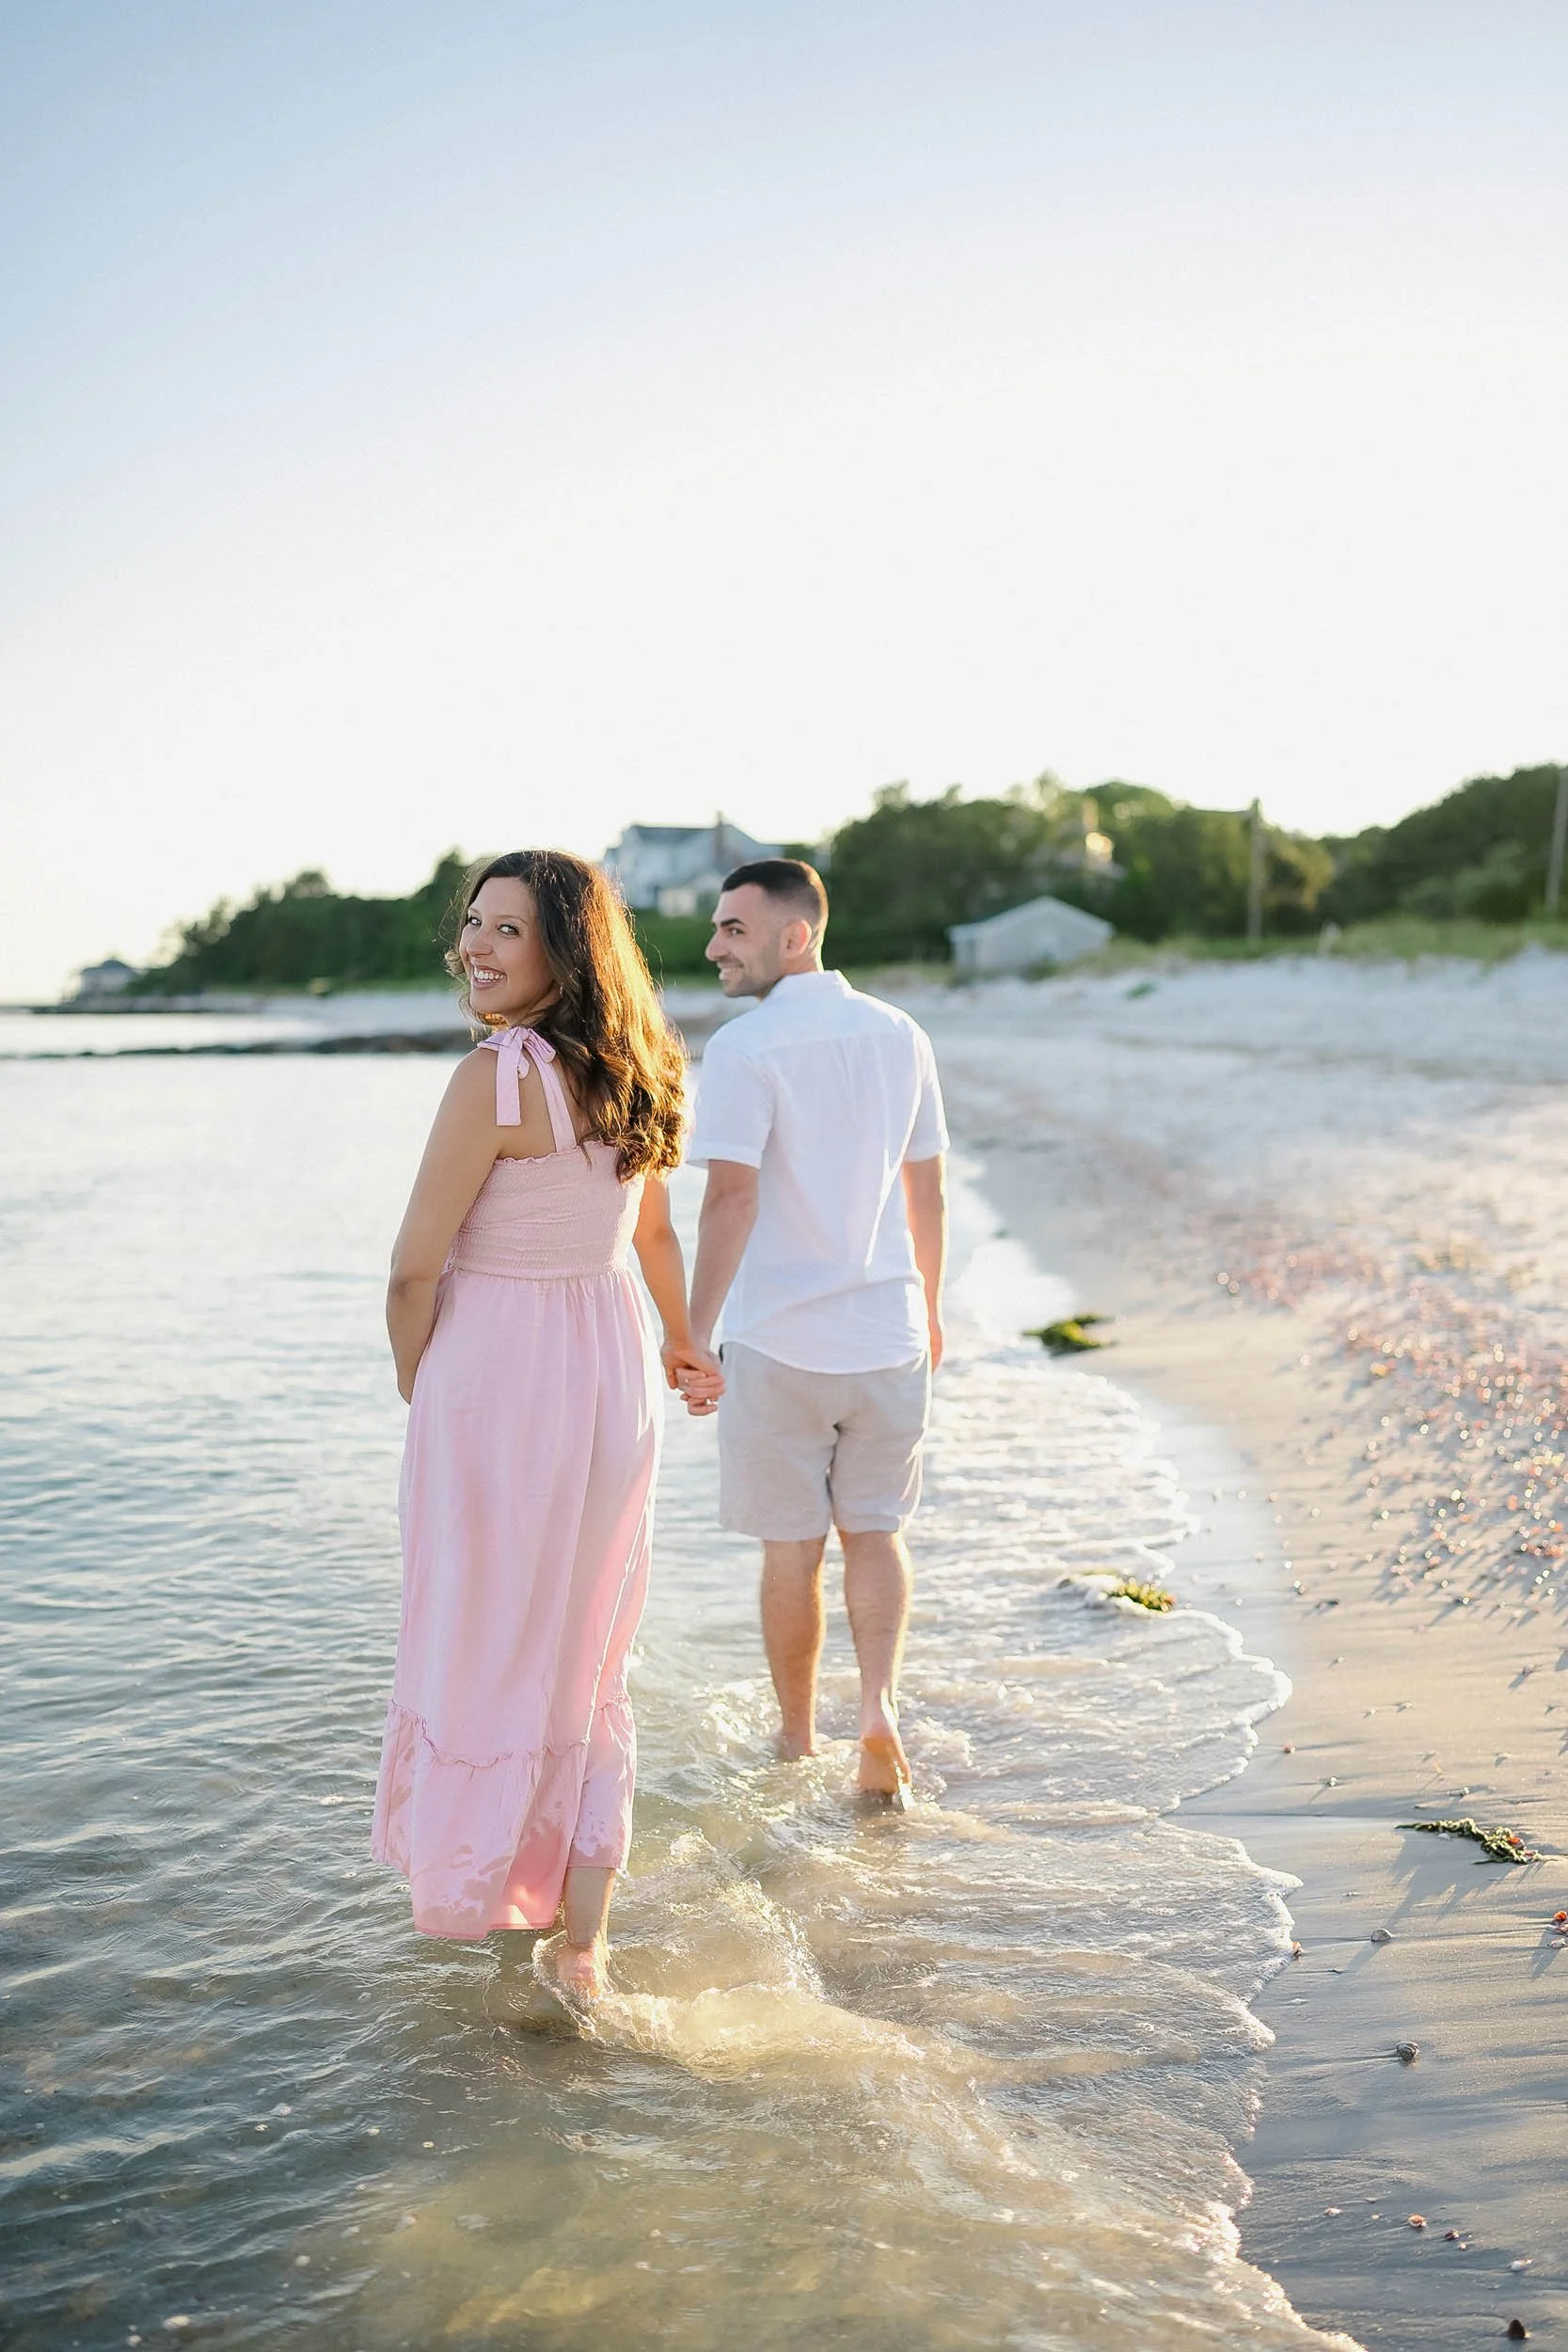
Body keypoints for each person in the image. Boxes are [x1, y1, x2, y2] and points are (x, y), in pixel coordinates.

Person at [371, 849, 721, 1997]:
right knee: (586, 1653)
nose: (474, 945)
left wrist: (423, 1391)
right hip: (608, 1372)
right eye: (471, 924)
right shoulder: (638, 1065)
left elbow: (412, 1271)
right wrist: (683, 1341)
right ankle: (582, 1944)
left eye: (505, 929)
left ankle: (488, 1901)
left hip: (499, 1383)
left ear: (564, 946)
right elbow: (654, 1236)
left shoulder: (496, 1075)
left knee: (484, 1639)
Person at [684, 859, 948, 1798]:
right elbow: (926, 1184)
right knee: (874, 1534)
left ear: (793, 935)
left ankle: (796, 1742)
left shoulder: (744, 1046)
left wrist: (689, 1331)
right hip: (887, 1334)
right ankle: (875, 1707)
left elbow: (728, 1197)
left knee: (790, 1552)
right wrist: (932, 1305)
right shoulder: (898, 1032)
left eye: (732, 929)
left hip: (778, 1342)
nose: (714, 946)